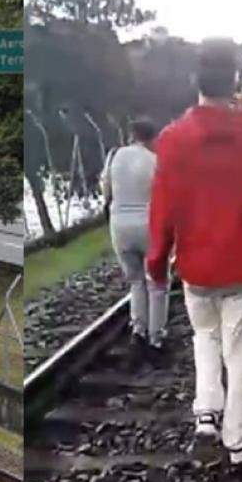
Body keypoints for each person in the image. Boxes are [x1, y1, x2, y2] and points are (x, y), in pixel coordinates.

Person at [147, 38, 242, 465]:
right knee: (238, 353)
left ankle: (206, 412)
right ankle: (237, 442)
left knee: (205, 336)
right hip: (241, 263)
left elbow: (163, 207)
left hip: (196, 266)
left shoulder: (172, 139)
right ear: (235, 83)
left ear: (194, 82)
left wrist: (156, 262)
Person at [100, 117, 167, 358]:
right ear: (152, 138)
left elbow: (105, 191)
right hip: (148, 224)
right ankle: (156, 337)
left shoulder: (113, 156)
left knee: (136, 281)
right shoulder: (156, 161)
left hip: (120, 226)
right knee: (157, 283)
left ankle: (138, 329)